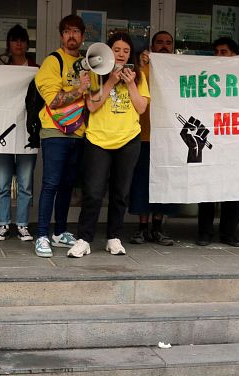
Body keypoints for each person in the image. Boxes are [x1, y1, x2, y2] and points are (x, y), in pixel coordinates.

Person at [67, 32, 149, 258]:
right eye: (117, 50)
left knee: (120, 193)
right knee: (93, 193)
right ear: (108, 52)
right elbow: (92, 106)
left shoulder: (139, 77)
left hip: (128, 139)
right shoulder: (96, 73)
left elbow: (141, 108)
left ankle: (114, 237)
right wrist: (111, 81)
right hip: (98, 140)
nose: (121, 54)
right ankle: (84, 239)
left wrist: (130, 84)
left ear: (130, 55)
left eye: (126, 51)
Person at [32, 15, 89, 258]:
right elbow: (53, 100)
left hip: (78, 132)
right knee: (51, 183)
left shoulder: (88, 63)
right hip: (55, 131)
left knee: (67, 185)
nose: (71, 36)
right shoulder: (52, 61)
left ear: (83, 36)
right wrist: (80, 89)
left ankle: (60, 232)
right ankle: (42, 235)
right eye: (67, 31)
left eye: (76, 31)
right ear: (61, 36)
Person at [128, 30, 177, 247]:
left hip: (169, 137)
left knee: (164, 183)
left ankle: (158, 227)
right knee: (142, 183)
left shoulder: (177, 70)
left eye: (168, 43)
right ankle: (142, 227)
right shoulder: (143, 68)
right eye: (160, 42)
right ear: (152, 46)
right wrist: (141, 64)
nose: (164, 46)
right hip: (144, 135)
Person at [197, 37, 239, 247]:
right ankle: (204, 232)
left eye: (223, 52)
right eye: (216, 52)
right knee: (207, 185)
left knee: (233, 186)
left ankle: (229, 233)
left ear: (235, 54)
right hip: (211, 136)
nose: (218, 56)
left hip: (236, 139)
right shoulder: (206, 75)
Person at [0, 24, 36, 242]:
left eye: (22, 40)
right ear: (8, 44)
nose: (18, 44)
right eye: (14, 40)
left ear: (27, 44)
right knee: (2, 182)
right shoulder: (1, 71)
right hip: (4, 130)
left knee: (25, 184)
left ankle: (22, 225)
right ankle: (3, 224)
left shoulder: (36, 70)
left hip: (28, 131)